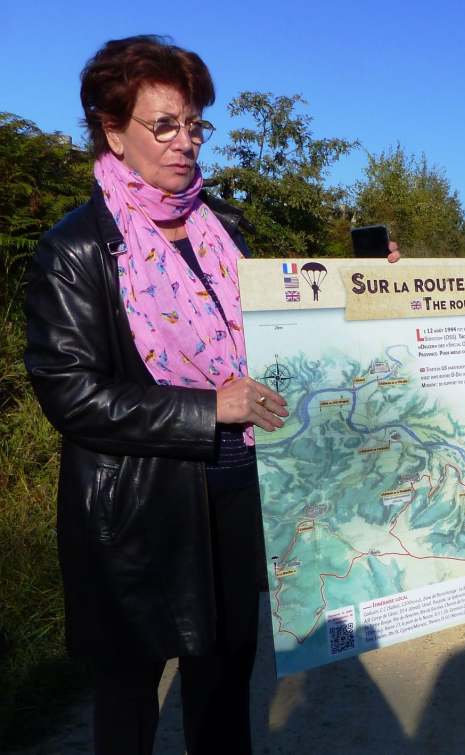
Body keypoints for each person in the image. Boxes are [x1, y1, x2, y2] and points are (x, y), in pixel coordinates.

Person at [23, 36, 399, 755]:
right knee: (131, 695)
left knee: (225, 677)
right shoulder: (75, 248)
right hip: (138, 510)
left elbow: (279, 322)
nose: (186, 142)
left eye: (195, 124)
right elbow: (70, 394)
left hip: (234, 492)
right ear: (112, 130)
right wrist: (209, 409)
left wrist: (364, 285)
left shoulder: (220, 227)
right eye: (164, 124)